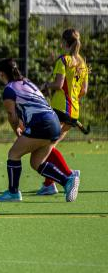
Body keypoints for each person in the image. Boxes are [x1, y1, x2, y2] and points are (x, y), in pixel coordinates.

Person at [0, 58, 80, 202]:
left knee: (13, 154)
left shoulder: (9, 89)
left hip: (41, 123)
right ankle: (67, 181)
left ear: (2, 73)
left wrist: (16, 129)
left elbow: (11, 115)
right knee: (36, 162)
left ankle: (13, 192)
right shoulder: (27, 82)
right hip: (53, 123)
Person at [36, 29, 87, 195]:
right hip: (74, 111)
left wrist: (45, 86)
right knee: (50, 145)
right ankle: (48, 184)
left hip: (60, 110)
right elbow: (84, 91)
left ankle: (68, 174)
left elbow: (58, 84)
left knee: (47, 145)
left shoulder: (64, 61)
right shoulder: (82, 63)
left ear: (64, 43)